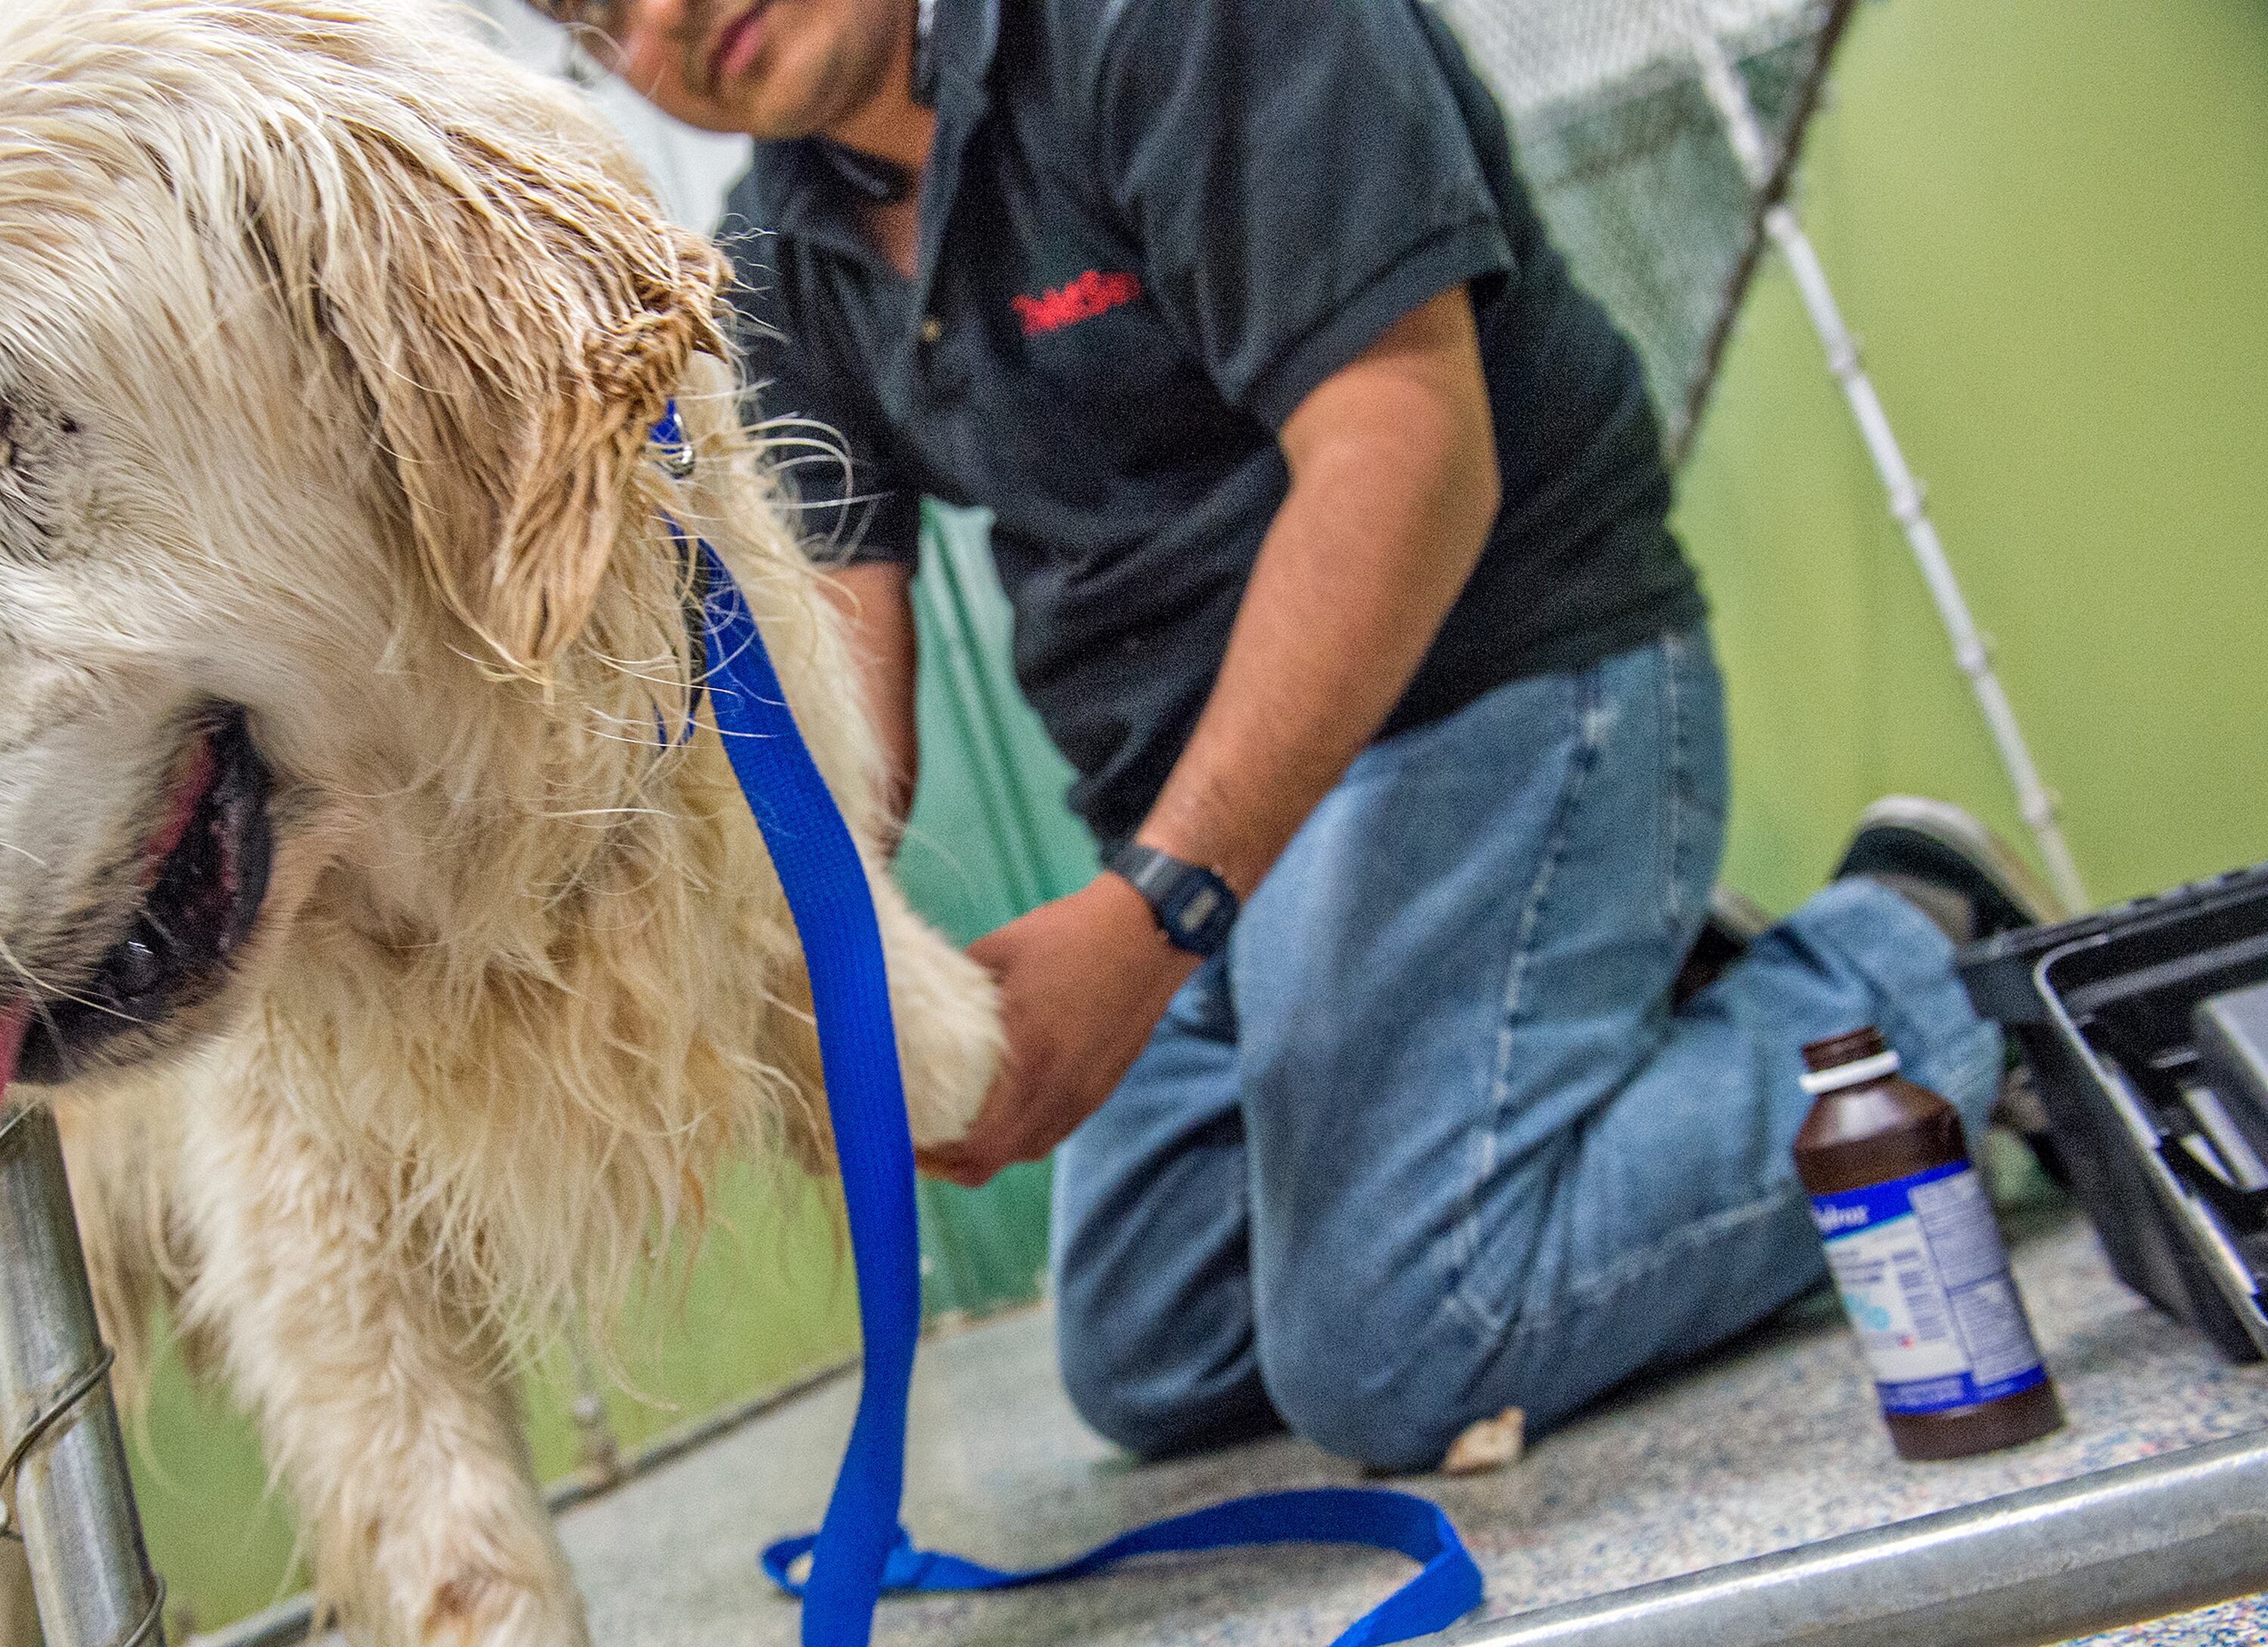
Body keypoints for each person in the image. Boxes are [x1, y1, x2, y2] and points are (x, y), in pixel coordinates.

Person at [539, 0, 2058, 1471]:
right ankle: (1616, 1021)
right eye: (597, 7)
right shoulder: (775, 250)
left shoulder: (1171, 24)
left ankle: (1923, 967)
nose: (666, 10)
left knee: (1395, 1347)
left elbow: (1407, 453)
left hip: (1494, 686)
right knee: (1152, 1352)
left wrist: (1157, 919)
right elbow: (837, 660)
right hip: (1208, 817)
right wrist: (806, 978)